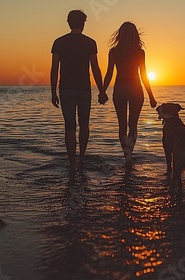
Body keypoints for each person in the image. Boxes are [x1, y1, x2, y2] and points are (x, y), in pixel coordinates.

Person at [50, 10, 108, 171]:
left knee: (69, 127)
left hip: (65, 89)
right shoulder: (90, 42)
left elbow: (54, 69)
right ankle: (82, 157)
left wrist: (53, 92)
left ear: (69, 23)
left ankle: (72, 163)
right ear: (83, 23)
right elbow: (95, 68)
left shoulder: (59, 42)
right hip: (84, 89)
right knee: (84, 124)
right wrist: (102, 90)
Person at [103, 22, 157, 167]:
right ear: (135, 35)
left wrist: (102, 91)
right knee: (133, 125)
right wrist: (151, 96)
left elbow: (109, 73)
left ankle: (126, 156)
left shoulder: (113, 51)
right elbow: (144, 75)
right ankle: (129, 154)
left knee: (122, 126)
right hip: (135, 90)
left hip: (119, 89)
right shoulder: (140, 52)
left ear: (120, 35)